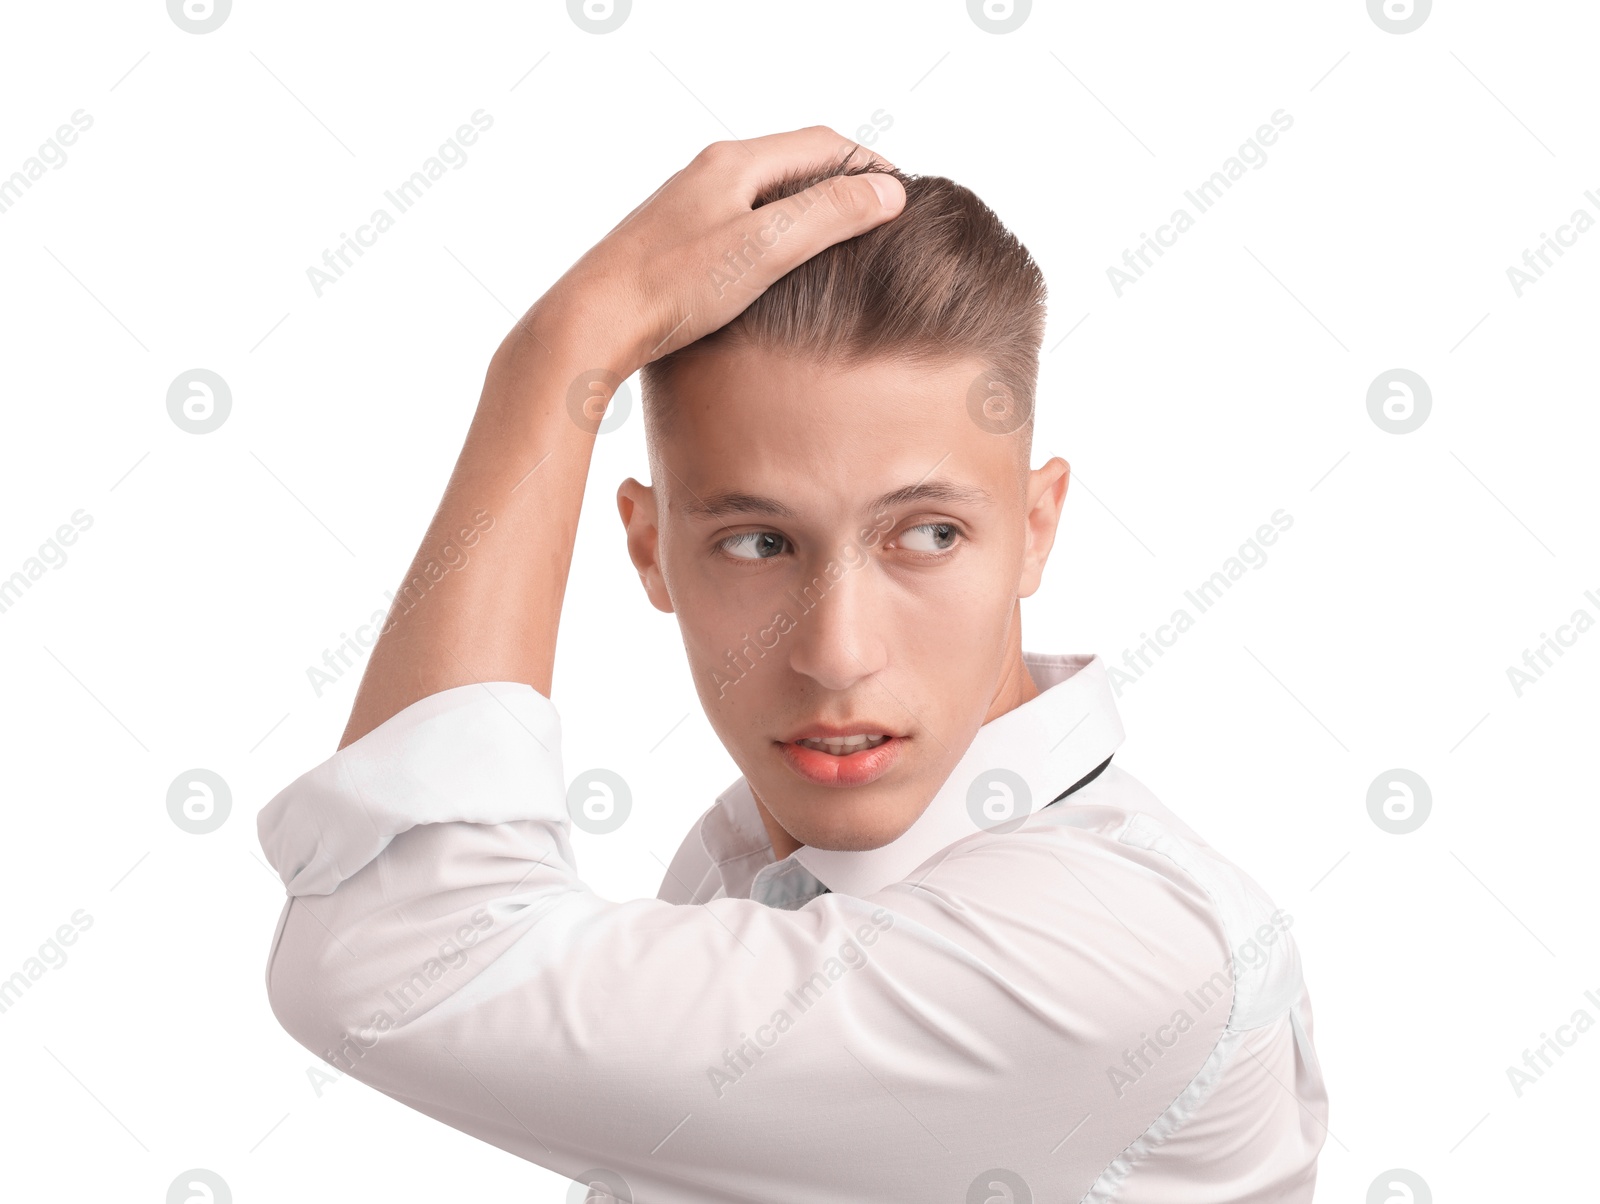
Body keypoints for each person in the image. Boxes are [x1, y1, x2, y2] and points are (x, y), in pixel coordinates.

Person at [258, 125, 1328, 1202]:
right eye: (759, 543)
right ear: (648, 546)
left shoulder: (1106, 954)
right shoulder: (747, 858)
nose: (835, 654)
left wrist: (560, 354)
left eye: (927, 534)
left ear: (1036, 527)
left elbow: (390, 956)